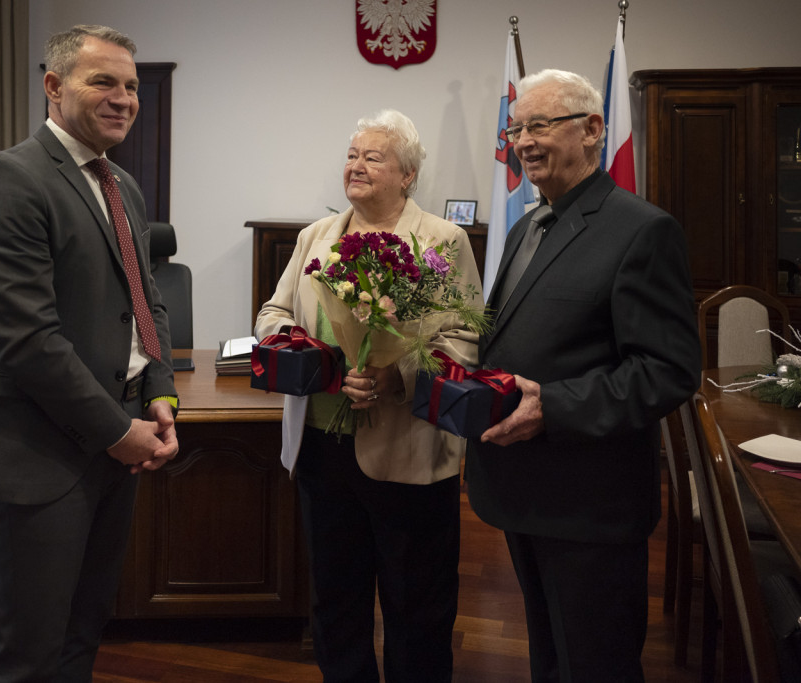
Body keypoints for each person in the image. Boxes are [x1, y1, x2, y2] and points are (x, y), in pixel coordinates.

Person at [0, 25, 179, 682]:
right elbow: (28, 340)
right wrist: (117, 430)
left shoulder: (122, 184)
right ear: (53, 86)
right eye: (103, 81)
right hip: (42, 453)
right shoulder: (8, 180)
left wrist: (160, 391)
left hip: (121, 439)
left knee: (83, 631)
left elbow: (145, 299)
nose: (124, 98)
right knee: (29, 654)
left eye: (130, 85)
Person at [465, 69, 701, 682]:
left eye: (539, 125)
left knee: (596, 664)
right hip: (524, 491)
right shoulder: (526, 225)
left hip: (589, 504)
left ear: (594, 129)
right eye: (517, 128)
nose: (522, 142)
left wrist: (555, 407)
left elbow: (667, 371)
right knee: (550, 656)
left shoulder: (642, 230)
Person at [255, 109, 482, 683]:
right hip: (321, 450)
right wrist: (324, 365)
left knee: (417, 606)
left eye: (372, 158)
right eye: (352, 156)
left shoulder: (441, 241)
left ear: (407, 174)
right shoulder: (316, 237)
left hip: (405, 449)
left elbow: (465, 336)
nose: (355, 166)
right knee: (335, 600)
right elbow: (272, 317)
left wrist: (395, 375)